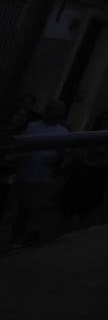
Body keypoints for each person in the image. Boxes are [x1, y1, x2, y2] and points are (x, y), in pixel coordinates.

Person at [9, 101, 70, 248]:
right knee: (11, 209)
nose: (57, 113)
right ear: (47, 110)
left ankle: (18, 240)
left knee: (28, 210)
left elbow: (63, 154)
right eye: (54, 110)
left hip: (40, 176)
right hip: (20, 172)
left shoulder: (63, 132)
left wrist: (56, 160)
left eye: (60, 111)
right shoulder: (31, 126)